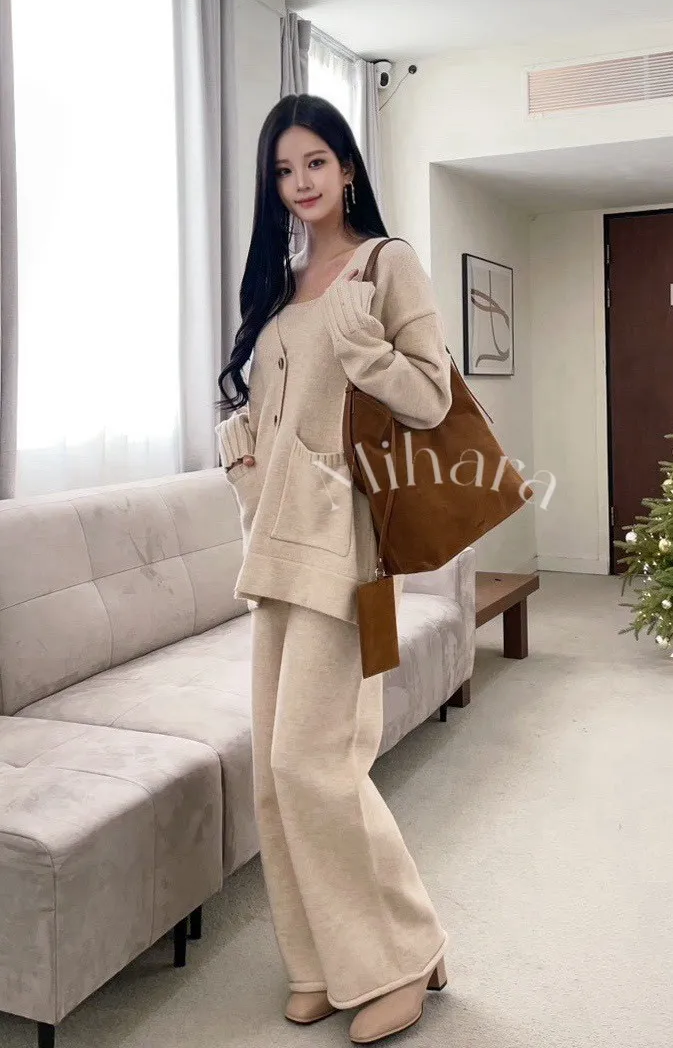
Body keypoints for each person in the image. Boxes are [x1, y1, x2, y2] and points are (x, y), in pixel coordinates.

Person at [215, 94, 452, 1045]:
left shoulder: (384, 265)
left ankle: (404, 952)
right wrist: (243, 455)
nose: (299, 182)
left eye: (315, 162)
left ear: (347, 167)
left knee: (313, 763)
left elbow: (431, 399)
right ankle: (319, 961)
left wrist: (361, 345)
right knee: (275, 776)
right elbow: (285, 426)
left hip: (349, 552)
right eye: (283, 170)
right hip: (274, 551)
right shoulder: (278, 289)